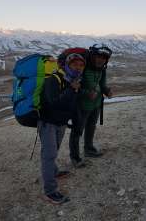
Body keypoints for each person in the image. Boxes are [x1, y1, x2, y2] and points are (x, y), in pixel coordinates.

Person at [38, 52, 86, 204]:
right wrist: (72, 89)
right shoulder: (54, 80)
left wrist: (76, 122)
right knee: (49, 154)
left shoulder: (73, 81)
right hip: (48, 121)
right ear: (66, 65)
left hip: (61, 122)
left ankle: (54, 172)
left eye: (80, 65)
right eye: (74, 64)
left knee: (55, 149)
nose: (77, 68)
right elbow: (54, 103)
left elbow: (72, 104)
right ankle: (50, 191)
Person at [69, 44, 113, 168]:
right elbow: (74, 87)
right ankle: (75, 157)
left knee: (91, 127)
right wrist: (87, 93)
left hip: (96, 104)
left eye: (104, 58)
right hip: (82, 106)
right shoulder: (82, 67)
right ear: (93, 56)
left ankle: (89, 149)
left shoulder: (102, 69)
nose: (101, 60)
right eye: (98, 57)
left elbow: (102, 84)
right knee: (77, 131)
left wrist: (107, 91)